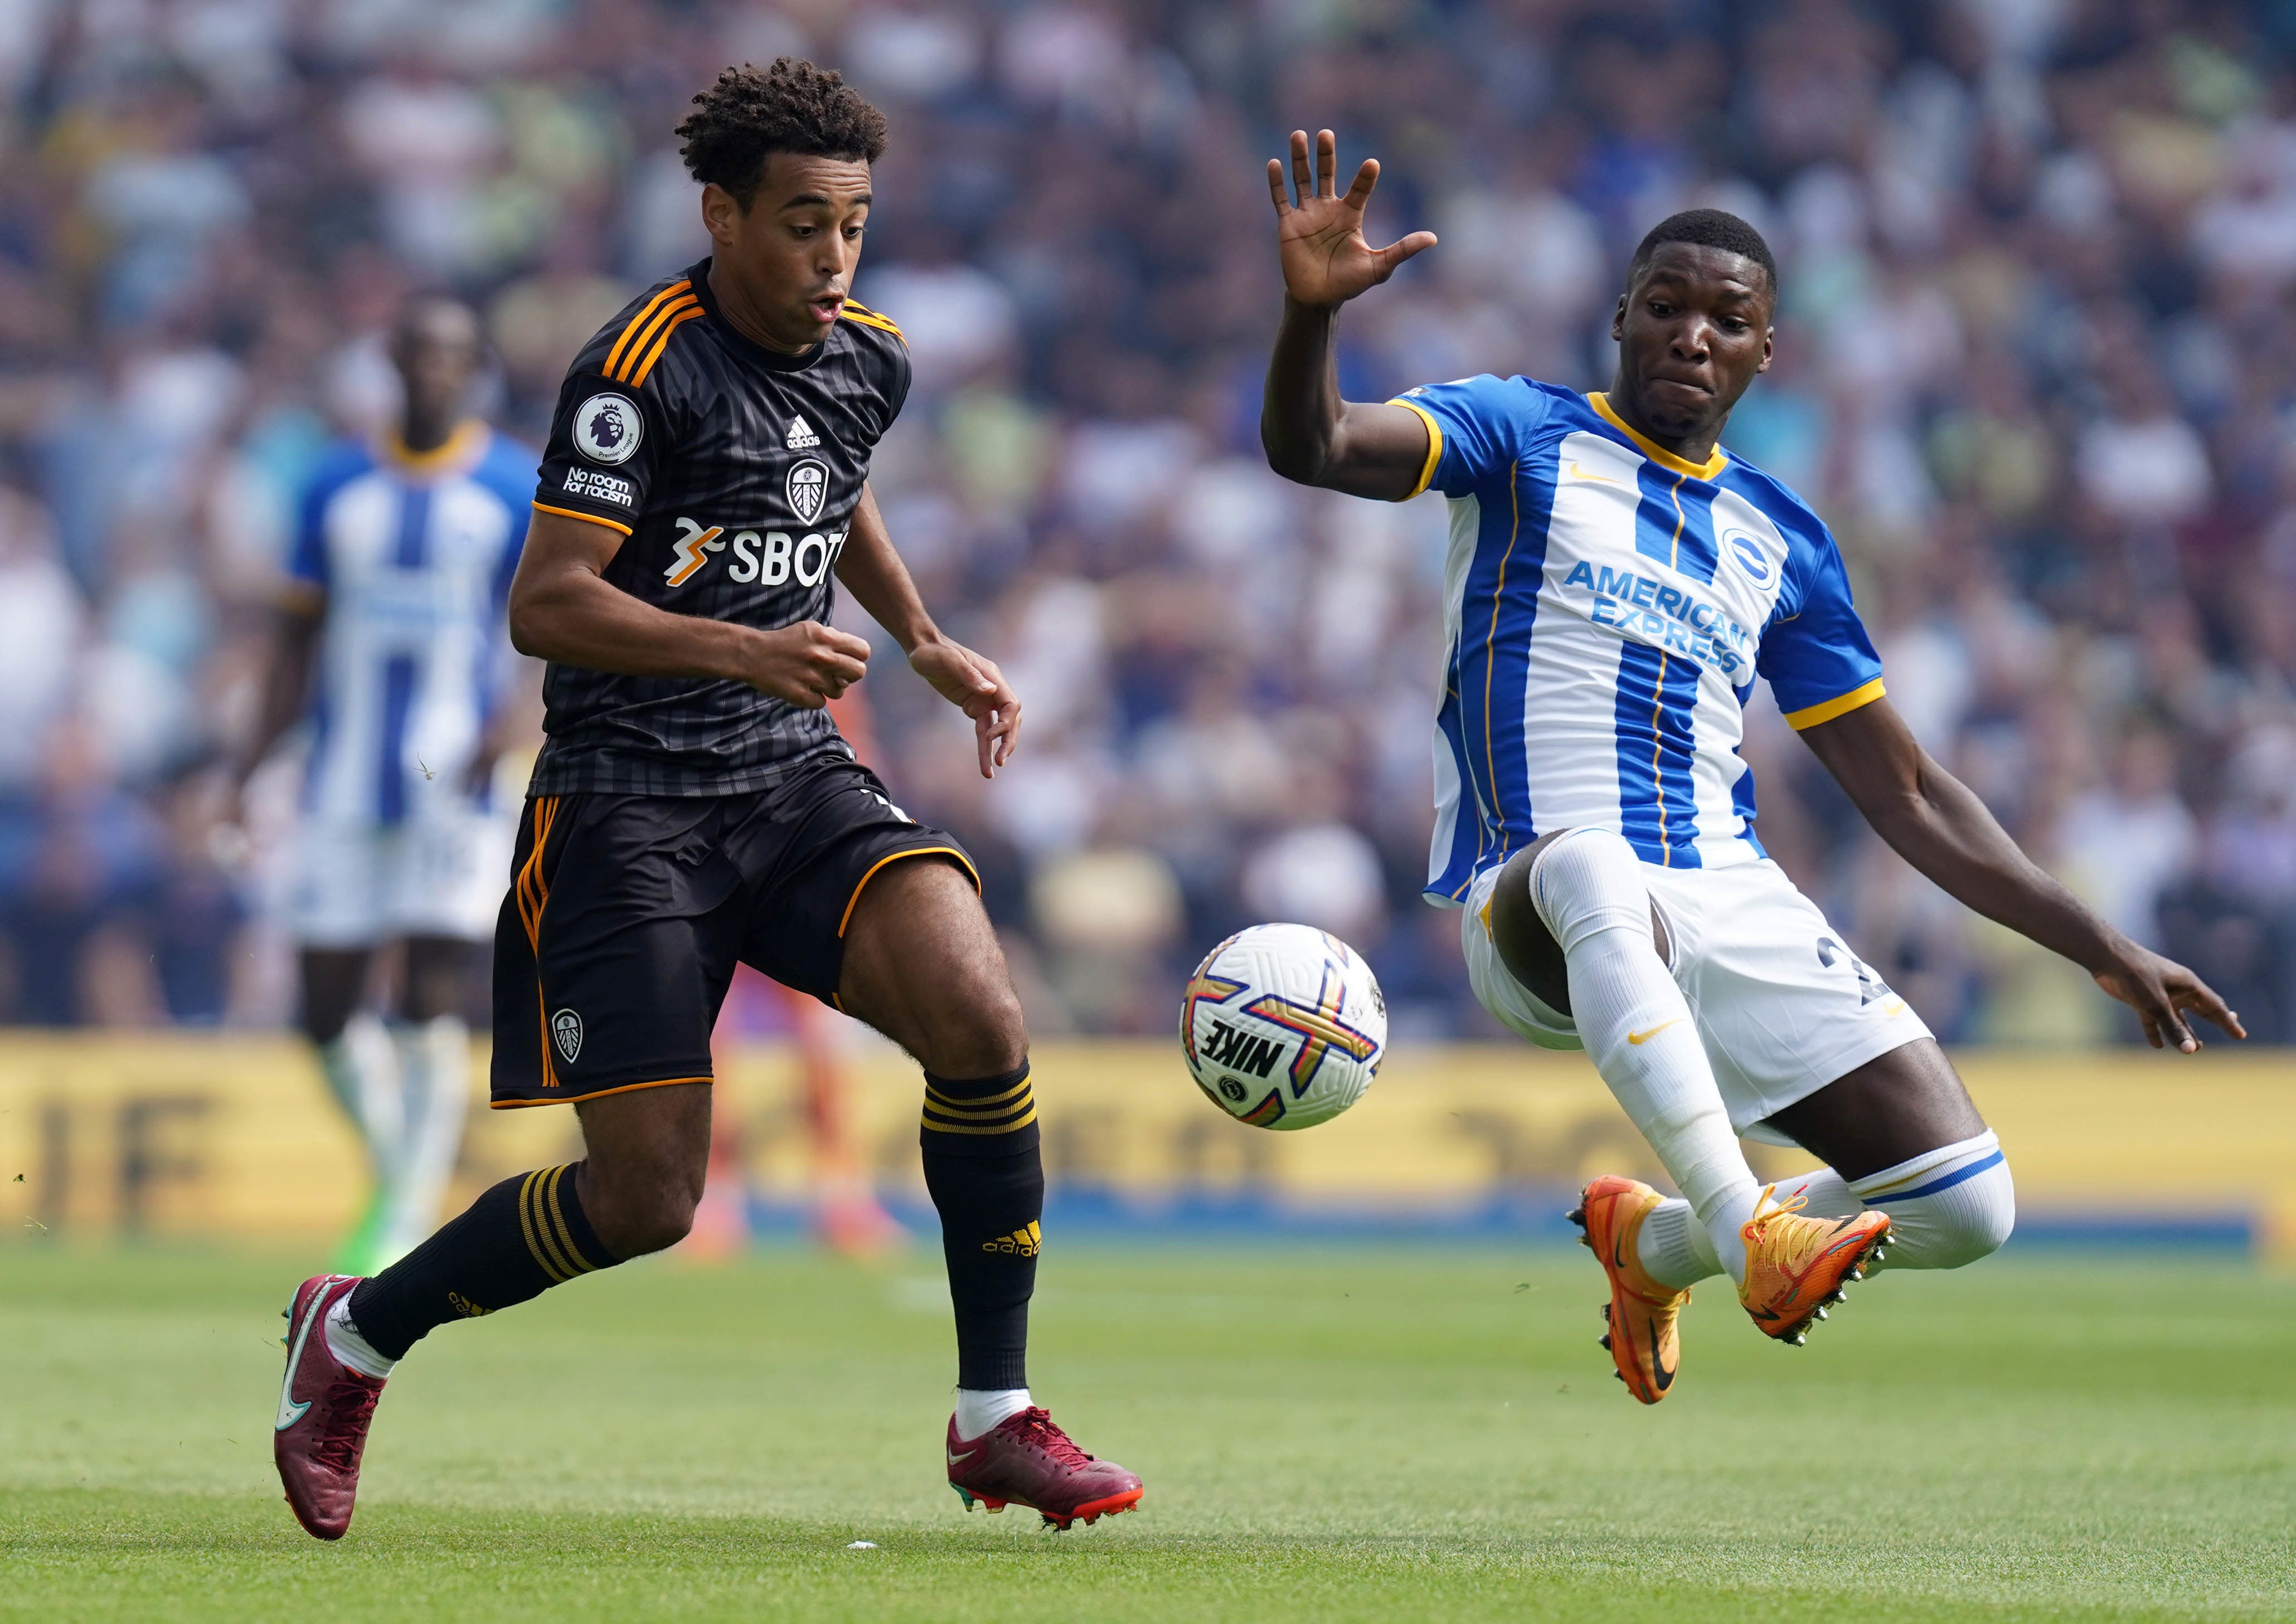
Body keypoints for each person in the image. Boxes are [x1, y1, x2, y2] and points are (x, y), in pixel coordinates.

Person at [271, 58, 1142, 1538]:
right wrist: (746, 645)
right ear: (721, 211)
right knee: (647, 1201)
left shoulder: (868, 350)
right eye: (803, 225)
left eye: (853, 227)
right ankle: (354, 1335)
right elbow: (546, 606)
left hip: (789, 779)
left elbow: (832, 475)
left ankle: (993, 1412)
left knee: (981, 1014)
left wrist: (922, 634)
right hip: (624, 807)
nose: (833, 259)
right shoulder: (635, 368)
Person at [1259, 129, 2242, 1403]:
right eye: (1663, 308)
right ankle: (1746, 1227)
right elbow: (1315, 446)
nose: (1691, 335)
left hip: (1724, 896)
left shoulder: (1781, 538)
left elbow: (1903, 789)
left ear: (1765, 349)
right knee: (1596, 865)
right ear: (1619, 317)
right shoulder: (1521, 434)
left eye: (1726, 319)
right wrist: (1305, 318)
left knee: (1964, 1203)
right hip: (1538, 902)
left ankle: (1658, 1238)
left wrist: (2092, 939)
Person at [237, 295, 535, 1275]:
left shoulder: (510, 484)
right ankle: (398, 1175)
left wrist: (518, 718)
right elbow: (294, 638)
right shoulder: (336, 485)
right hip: (343, 779)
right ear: (394, 365)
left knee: (434, 986)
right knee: (323, 1003)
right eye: (418, 355)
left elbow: (553, 624)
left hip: (460, 776)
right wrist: (245, 763)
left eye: (453, 356)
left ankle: (403, 1216)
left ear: (473, 368)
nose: (434, 372)